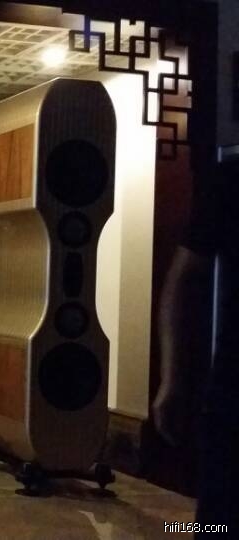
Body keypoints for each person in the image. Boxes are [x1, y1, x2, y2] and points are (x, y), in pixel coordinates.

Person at [152, 166, 238, 536]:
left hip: (230, 387)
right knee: (220, 521)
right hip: (232, 389)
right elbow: (182, 281)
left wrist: (171, 380)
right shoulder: (230, 181)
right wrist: (171, 379)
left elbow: (182, 279)